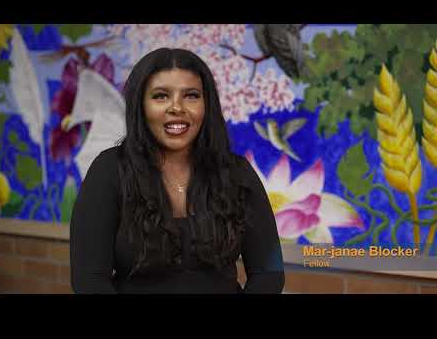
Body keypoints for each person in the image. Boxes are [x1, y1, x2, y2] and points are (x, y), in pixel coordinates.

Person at [70, 48, 285, 294]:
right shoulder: (109, 171)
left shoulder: (237, 173)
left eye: (191, 96)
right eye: (161, 96)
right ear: (140, 105)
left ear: (207, 105)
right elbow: (89, 280)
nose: (177, 108)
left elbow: (269, 271)